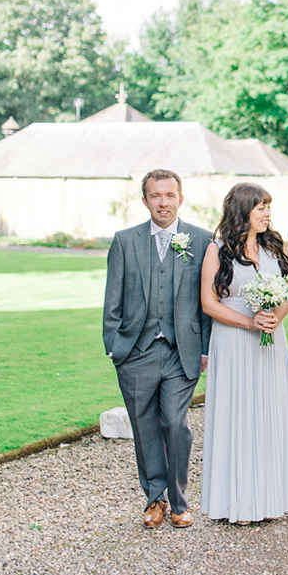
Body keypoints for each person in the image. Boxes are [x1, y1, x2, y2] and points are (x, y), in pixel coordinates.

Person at [103, 169, 212, 529]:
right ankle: (155, 499)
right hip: (136, 352)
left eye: (169, 195)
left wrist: (207, 348)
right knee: (145, 427)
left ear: (181, 198)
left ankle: (180, 500)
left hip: (184, 351)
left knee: (175, 423)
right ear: (145, 199)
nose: (163, 202)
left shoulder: (202, 239)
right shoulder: (125, 240)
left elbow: (207, 301)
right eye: (155, 195)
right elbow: (112, 301)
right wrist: (115, 347)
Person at [199, 183, 288, 524]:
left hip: (270, 338)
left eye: (269, 206)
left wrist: (272, 319)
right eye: (261, 207)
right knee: (236, 414)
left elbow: (287, 293)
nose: (268, 213)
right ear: (243, 211)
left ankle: (267, 499)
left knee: (269, 413)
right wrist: (249, 323)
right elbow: (209, 303)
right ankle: (234, 502)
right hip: (233, 339)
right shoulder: (218, 249)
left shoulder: (273, 247)